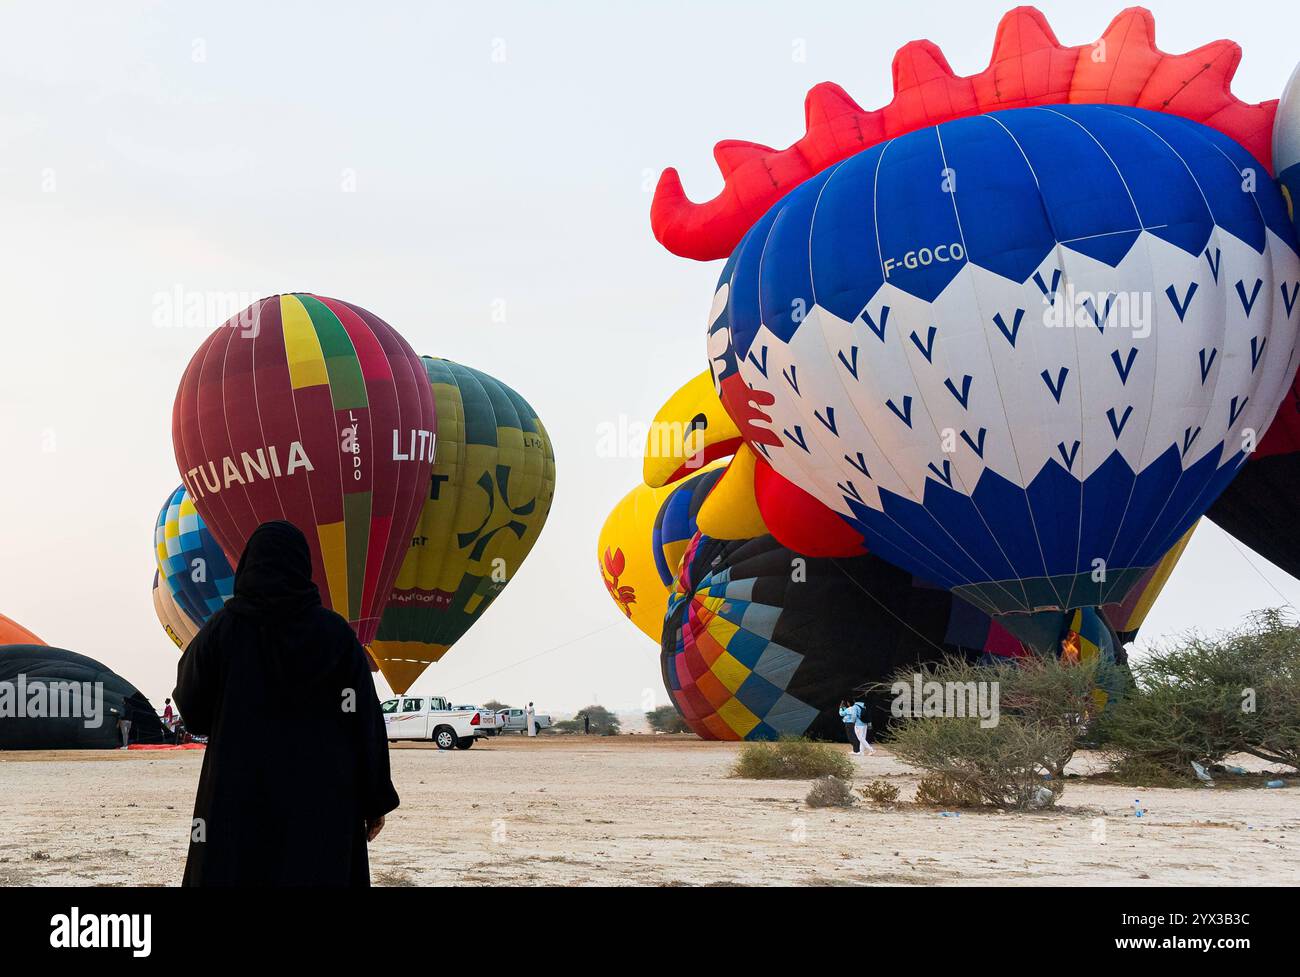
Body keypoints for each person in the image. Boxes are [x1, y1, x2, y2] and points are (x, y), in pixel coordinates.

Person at [174, 521, 398, 887]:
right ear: (304, 566)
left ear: (247, 565)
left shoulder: (221, 630)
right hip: (322, 803)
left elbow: (191, 708)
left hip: (238, 797)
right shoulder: (337, 636)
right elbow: (367, 724)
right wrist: (375, 800)